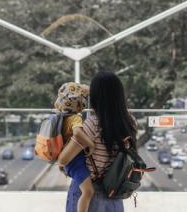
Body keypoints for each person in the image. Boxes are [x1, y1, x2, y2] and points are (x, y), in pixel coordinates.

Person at [64, 71, 137, 212]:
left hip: (88, 192)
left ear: (96, 96)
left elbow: (65, 158)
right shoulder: (130, 122)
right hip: (114, 192)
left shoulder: (92, 124)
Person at [54, 82, 96, 212]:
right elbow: (77, 133)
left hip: (69, 159)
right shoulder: (75, 118)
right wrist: (91, 144)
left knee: (84, 190)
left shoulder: (62, 116)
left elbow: (72, 90)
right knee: (88, 192)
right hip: (75, 161)